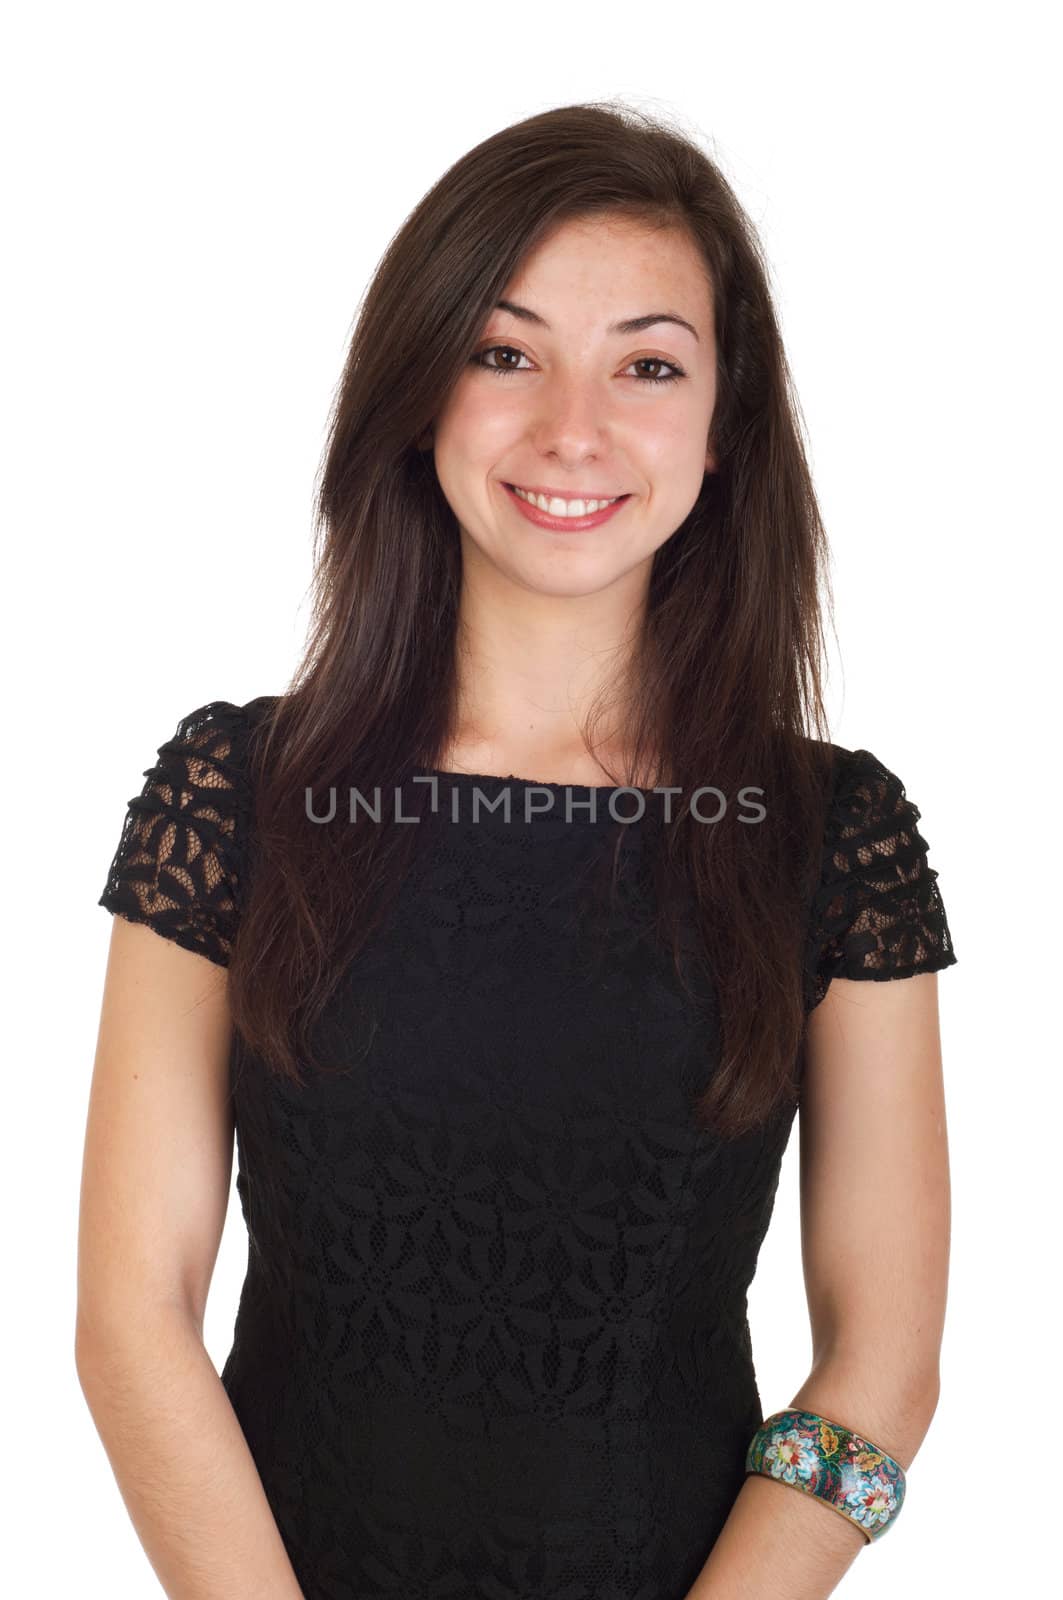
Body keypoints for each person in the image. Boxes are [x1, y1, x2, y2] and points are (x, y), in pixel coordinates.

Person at [77, 101, 958, 1600]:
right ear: (422, 394)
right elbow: (128, 1318)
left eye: (649, 366)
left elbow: (881, 1371)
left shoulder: (830, 836)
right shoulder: (235, 792)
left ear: (722, 429)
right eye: (506, 352)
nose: (573, 427)